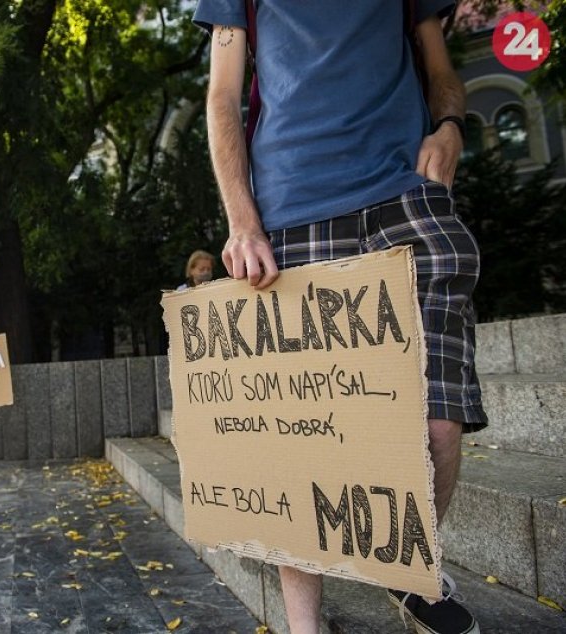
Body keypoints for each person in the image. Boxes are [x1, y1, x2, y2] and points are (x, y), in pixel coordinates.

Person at [194, 2, 484, 634]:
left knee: (440, 426)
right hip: (292, 211)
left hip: (406, 195)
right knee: (307, 445)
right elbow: (221, 98)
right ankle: (304, 628)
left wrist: (452, 124)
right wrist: (242, 222)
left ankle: (408, 568)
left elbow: (440, 67)